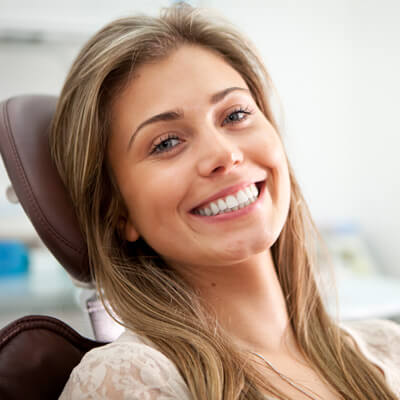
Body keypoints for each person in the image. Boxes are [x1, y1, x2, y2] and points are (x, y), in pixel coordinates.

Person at [50, 3, 400, 399]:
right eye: (167, 142)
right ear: (118, 211)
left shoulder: (389, 350)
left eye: (234, 115)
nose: (225, 154)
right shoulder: (129, 380)